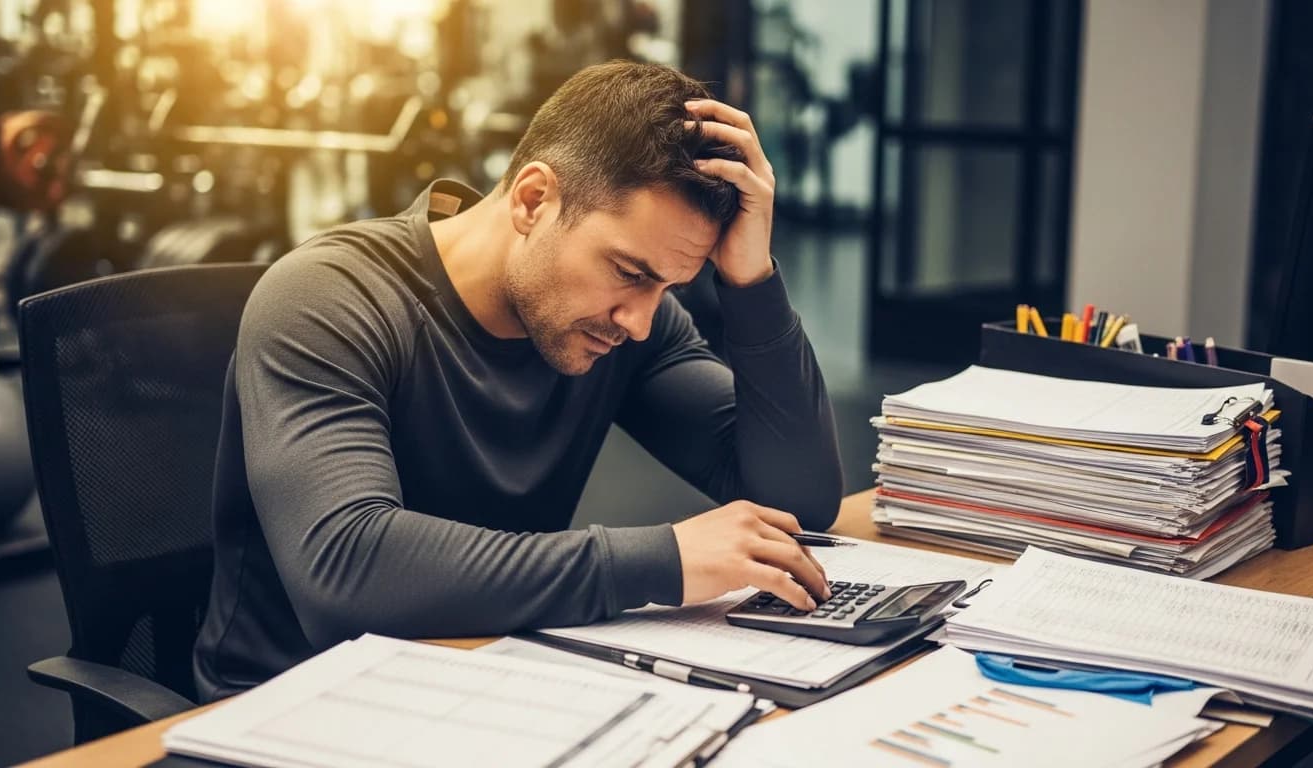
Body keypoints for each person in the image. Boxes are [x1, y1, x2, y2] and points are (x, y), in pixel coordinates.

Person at [194, 60, 843, 700]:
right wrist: (662, 561)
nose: (641, 321)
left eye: (668, 285)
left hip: (483, 680)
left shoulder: (623, 324)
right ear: (534, 200)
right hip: (291, 708)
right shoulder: (330, 299)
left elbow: (798, 501)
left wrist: (750, 279)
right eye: (629, 271)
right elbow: (346, 572)